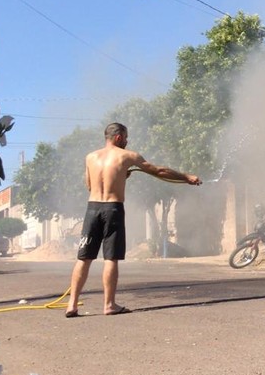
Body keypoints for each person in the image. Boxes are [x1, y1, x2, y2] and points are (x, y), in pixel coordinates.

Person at [65, 122, 201, 317]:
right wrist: (186, 176)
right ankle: (109, 304)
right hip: (112, 209)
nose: (127, 141)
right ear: (119, 137)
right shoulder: (128, 156)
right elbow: (158, 171)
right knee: (111, 258)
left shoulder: (90, 157)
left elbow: (89, 185)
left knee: (84, 258)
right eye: (126, 137)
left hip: (92, 208)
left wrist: (119, 177)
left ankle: (72, 304)